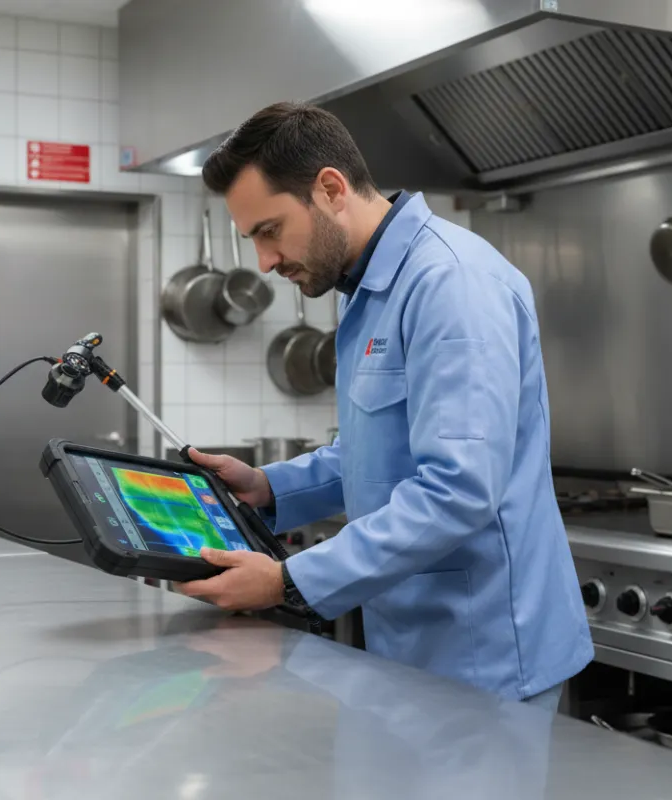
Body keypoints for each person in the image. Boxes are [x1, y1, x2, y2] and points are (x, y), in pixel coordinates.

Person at [174, 102, 592, 708]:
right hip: (415, 644)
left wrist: (290, 581)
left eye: (269, 230)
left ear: (330, 188)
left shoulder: (450, 282)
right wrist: (268, 487)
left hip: (487, 653)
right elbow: (373, 454)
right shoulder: (369, 290)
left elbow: (458, 490)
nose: (264, 262)